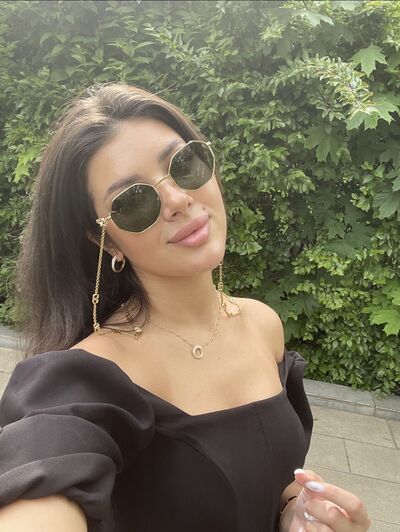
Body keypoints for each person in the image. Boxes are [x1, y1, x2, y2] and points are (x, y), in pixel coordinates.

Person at [0, 83, 371, 532]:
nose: (177, 200)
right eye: (133, 201)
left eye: (184, 164)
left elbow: (273, 477)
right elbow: (39, 477)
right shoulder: (85, 379)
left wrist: (298, 510)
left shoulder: (261, 324)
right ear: (105, 239)